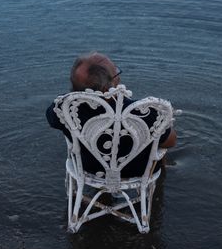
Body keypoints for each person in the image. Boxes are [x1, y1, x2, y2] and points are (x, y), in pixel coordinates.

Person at [46, 52, 177, 177]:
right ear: (106, 88)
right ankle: (155, 191)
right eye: (116, 73)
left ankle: (101, 193)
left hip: (89, 169)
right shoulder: (144, 112)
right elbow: (171, 142)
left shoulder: (63, 109)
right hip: (138, 172)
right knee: (158, 140)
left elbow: (52, 120)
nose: (119, 77)